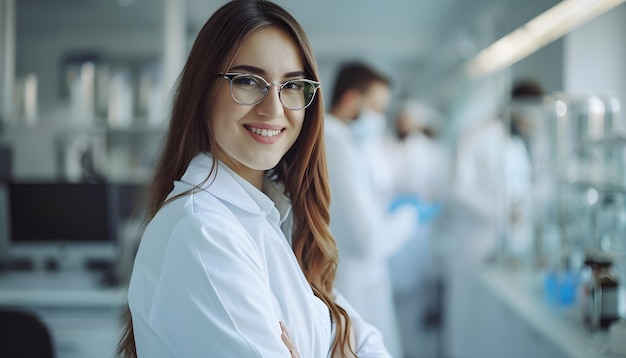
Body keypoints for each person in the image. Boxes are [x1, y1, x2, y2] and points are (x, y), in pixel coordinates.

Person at [116, 1, 391, 357]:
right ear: (203, 91)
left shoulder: (275, 219)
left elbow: (369, 343)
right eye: (248, 81)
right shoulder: (202, 232)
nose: (274, 108)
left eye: (292, 86)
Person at [324, 62, 417, 358]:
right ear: (351, 100)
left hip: (354, 278)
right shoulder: (334, 144)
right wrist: (409, 217)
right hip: (350, 282)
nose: (379, 118)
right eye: (376, 108)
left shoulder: (344, 142)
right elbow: (368, 240)